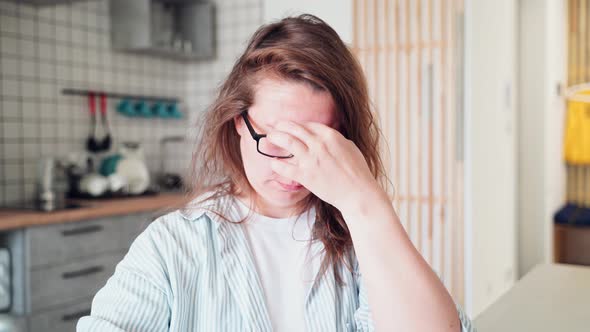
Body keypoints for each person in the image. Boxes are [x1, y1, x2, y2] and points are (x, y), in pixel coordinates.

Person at [77, 14, 476, 332]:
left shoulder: (361, 240)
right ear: (237, 121)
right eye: (274, 140)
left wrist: (365, 202)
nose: (293, 166)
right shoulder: (172, 247)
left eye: (315, 143)